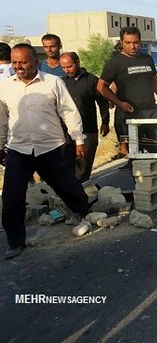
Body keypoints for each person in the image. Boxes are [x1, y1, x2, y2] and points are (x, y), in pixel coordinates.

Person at [0, 44, 92, 259]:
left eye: (22, 62)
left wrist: (78, 139)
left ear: (35, 62)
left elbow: (69, 112)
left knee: (67, 185)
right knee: (12, 196)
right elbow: (1, 119)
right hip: (18, 149)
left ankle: (85, 213)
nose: (18, 66)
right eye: (14, 62)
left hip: (51, 147)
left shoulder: (53, 83)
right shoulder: (5, 87)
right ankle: (15, 242)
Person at [96, 26, 157, 161]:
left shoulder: (147, 59)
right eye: (128, 43)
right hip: (130, 114)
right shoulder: (114, 63)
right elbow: (101, 86)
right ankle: (140, 182)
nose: (133, 46)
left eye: (136, 42)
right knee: (136, 153)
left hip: (151, 111)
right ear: (121, 42)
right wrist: (119, 103)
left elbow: (154, 80)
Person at [60, 52, 110, 182]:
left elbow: (102, 102)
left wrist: (105, 122)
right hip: (66, 131)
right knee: (67, 164)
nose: (67, 70)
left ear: (77, 62)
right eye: (63, 68)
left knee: (84, 163)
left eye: (69, 66)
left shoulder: (92, 80)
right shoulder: (61, 83)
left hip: (87, 128)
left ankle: (82, 190)